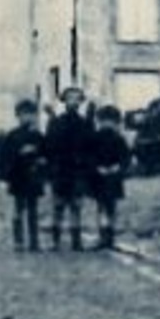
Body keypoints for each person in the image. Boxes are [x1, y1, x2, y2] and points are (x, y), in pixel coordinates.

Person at [44, 86, 96, 251]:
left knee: (76, 205)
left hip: (77, 169)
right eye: (69, 98)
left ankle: (76, 240)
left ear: (80, 102)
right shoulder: (57, 122)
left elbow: (90, 144)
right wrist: (51, 117)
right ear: (64, 101)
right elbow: (49, 144)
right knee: (58, 205)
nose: (73, 101)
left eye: (76, 98)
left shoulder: (84, 123)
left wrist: (91, 115)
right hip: (60, 169)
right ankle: (55, 241)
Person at [0, 99, 47, 252]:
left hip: (34, 177)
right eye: (24, 114)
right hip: (18, 177)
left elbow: (45, 154)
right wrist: (19, 154)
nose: (27, 118)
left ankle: (34, 241)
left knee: (33, 210)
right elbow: (5, 157)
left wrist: (40, 160)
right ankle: (19, 241)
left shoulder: (38, 136)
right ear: (18, 116)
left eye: (31, 114)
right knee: (18, 208)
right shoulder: (12, 136)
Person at [89, 105, 132, 250]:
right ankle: (102, 236)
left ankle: (110, 237)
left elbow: (126, 157)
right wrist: (96, 168)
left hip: (114, 178)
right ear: (99, 121)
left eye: (111, 121)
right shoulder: (94, 138)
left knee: (112, 207)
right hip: (99, 178)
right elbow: (89, 157)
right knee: (101, 207)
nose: (107, 124)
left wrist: (118, 167)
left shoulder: (119, 139)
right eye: (104, 120)